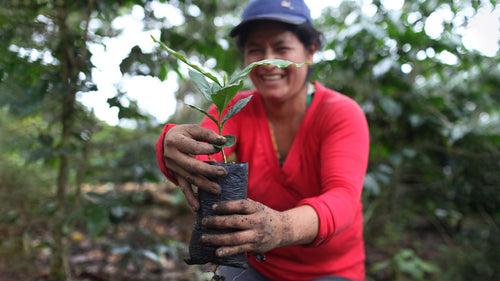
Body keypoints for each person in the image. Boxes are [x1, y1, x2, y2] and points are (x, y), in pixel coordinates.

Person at [156, 0, 369, 280]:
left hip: (330, 270)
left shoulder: (339, 113)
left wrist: (281, 227)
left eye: (281, 49)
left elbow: (343, 198)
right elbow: (202, 156)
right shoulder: (234, 110)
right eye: (255, 50)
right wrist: (169, 145)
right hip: (256, 263)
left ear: (311, 51)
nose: (267, 62)